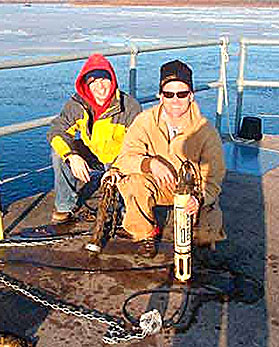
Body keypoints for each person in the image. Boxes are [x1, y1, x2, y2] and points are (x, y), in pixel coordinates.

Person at [114, 60, 226, 257]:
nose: (175, 100)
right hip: (158, 184)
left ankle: (198, 224)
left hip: (191, 191)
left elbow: (214, 178)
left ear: (191, 96)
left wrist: (200, 198)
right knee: (133, 183)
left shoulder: (206, 131)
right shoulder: (144, 121)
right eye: (169, 94)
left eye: (182, 94)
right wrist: (150, 163)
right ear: (160, 96)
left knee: (205, 244)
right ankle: (145, 233)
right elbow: (123, 159)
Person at [47, 54, 141, 223]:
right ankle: (64, 206)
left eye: (105, 80)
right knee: (58, 152)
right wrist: (72, 156)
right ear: (86, 85)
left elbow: (138, 146)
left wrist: (117, 168)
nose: (100, 87)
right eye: (93, 82)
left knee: (127, 215)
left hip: (119, 159)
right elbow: (56, 130)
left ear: (113, 81)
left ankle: (124, 205)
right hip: (94, 153)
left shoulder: (129, 106)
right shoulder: (77, 104)